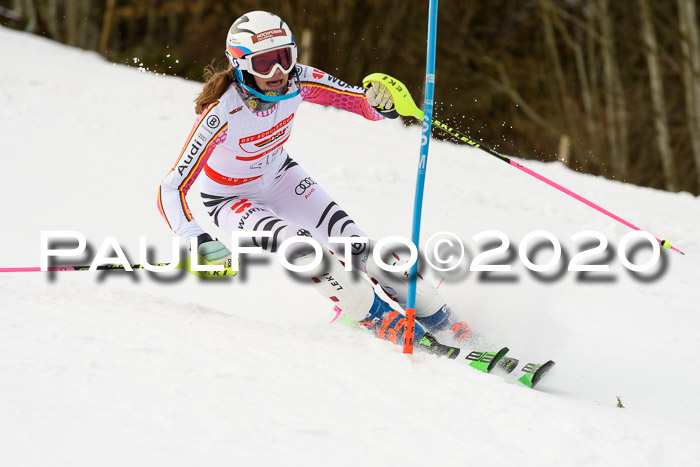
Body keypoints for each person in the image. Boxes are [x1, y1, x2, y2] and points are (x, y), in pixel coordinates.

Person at [158, 10, 472, 355]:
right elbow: (172, 186)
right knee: (302, 247)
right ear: (240, 65)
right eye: (264, 64)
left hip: (280, 176)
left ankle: (442, 318)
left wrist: (380, 104)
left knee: (355, 245)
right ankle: (376, 316)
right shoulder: (221, 113)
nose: (278, 73)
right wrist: (194, 237)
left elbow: (357, 101)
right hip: (231, 199)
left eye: (284, 58)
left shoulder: (299, 80)